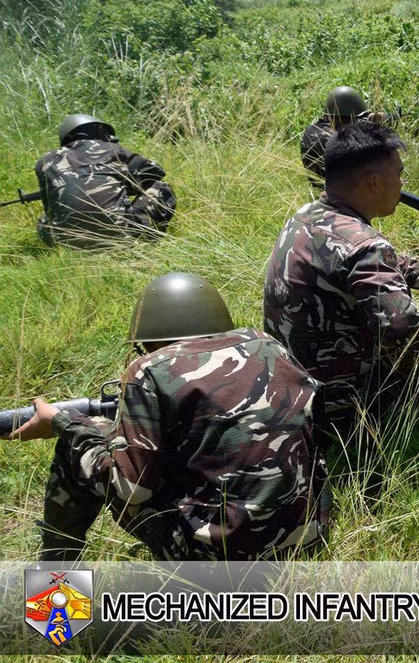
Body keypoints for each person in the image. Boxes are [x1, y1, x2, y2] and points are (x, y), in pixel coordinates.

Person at [7, 273, 329, 562]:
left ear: (150, 339)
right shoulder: (267, 345)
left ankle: (53, 589)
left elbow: (132, 491)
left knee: (78, 447)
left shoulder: (150, 371)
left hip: (224, 564)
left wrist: (63, 423)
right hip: (306, 536)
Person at [265, 119, 419, 454]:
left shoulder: (306, 215)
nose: (402, 184)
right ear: (375, 182)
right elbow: (402, 328)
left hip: (289, 387)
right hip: (338, 407)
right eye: (399, 174)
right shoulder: (365, 246)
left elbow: (388, 263)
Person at [35, 113, 176, 249]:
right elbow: (156, 172)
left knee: (43, 221)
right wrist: (124, 182)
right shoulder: (114, 150)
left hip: (67, 244)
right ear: (99, 131)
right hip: (121, 238)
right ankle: (150, 239)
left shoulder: (45, 161)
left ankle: (64, 248)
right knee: (161, 187)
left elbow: (50, 209)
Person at [301, 86, 397, 185]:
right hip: (339, 195)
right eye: (355, 119)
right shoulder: (335, 140)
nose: (356, 122)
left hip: (321, 191)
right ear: (340, 118)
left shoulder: (312, 130)